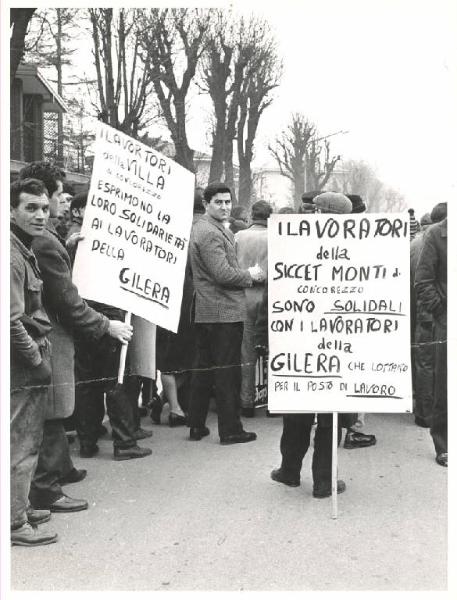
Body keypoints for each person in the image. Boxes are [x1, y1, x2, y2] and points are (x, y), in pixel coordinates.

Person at [17, 163, 133, 513]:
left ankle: (53, 477)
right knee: (52, 412)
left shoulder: (39, 239)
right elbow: (66, 300)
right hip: (50, 339)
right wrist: (106, 325)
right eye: (56, 196)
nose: (60, 202)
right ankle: (46, 490)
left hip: (41, 337)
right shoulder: (42, 242)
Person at [63, 191, 154, 459]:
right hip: (105, 316)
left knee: (89, 382)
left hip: (85, 316)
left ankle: (88, 442)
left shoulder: (76, 238)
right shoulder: (79, 237)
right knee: (115, 381)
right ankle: (124, 443)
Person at [187, 182, 265, 444]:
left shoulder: (206, 227)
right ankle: (230, 430)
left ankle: (196, 425)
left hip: (208, 310)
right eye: (218, 202)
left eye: (227, 202)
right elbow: (222, 274)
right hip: (223, 312)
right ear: (207, 204)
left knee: (203, 370)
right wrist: (250, 275)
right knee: (226, 373)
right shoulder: (210, 232)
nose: (224, 207)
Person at [10, 178, 58, 546]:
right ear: (11, 209)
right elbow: (10, 320)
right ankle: (13, 524)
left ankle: (18, 507)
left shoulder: (22, 247)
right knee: (20, 444)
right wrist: (35, 361)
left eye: (44, 207)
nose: (40, 215)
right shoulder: (11, 254)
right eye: (30, 208)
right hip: (21, 363)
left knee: (26, 440)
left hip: (27, 358)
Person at [154, 188, 206, 426]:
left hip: (167, 302)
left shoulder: (168, 233)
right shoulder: (202, 232)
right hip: (192, 303)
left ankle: (169, 403)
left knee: (169, 358)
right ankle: (173, 405)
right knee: (187, 357)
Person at [414, 216, 447, 467]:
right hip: (446, 323)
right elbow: (423, 281)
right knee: (444, 386)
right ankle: (444, 445)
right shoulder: (437, 235)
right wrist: (441, 312)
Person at [235, 200, 272, 417]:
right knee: (272, 348)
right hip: (269, 296)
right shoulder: (275, 237)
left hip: (244, 295)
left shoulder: (239, 236)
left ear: (251, 215)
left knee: (246, 350)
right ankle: (273, 401)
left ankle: (246, 400)